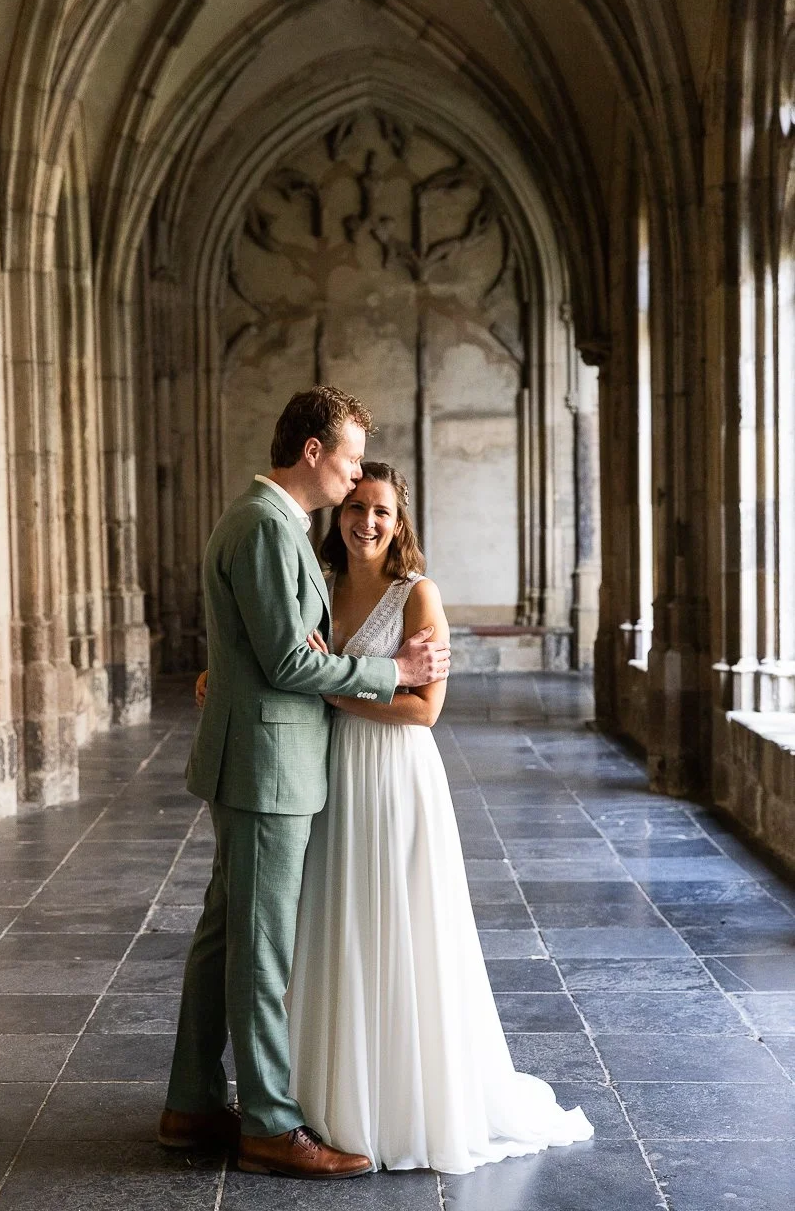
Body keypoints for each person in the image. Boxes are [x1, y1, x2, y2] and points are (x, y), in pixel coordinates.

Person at [157, 388, 451, 1180]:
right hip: (267, 766)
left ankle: (189, 1103)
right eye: (351, 454)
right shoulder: (263, 525)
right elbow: (291, 661)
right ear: (314, 452)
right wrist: (394, 670)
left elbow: (264, 650)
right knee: (259, 948)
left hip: (267, 757)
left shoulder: (279, 527)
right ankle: (267, 1123)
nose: (356, 474)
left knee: (227, 935)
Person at [287, 461, 594, 1174]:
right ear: (339, 517)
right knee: (339, 922)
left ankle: (405, 1105)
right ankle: (332, 1097)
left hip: (395, 774)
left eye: (382, 512)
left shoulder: (417, 595)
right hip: (335, 773)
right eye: (356, 507)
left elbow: (424, 710)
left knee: (400, 923)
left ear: (401, 525)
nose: (367, 522)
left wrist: (334, 692)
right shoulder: (323, 591)